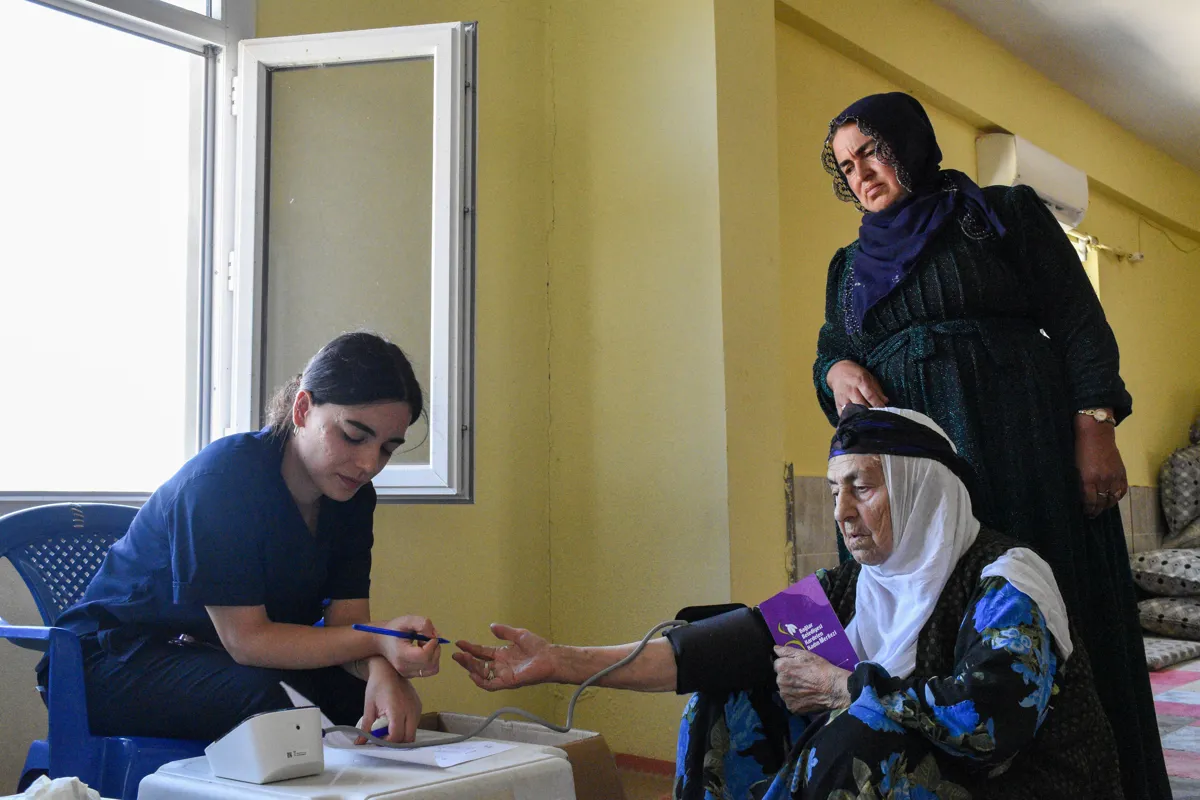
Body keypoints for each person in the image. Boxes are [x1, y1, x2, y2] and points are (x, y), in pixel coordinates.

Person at [454, 406, 1122, 799]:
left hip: (1021, 787)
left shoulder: (1005, 578)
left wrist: (844, 687)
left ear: (923, 491)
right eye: (833, 491)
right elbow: (724, 646)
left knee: (865, 732)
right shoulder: (853, 586)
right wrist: (560, 662)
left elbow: (991, 722)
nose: (842, 513)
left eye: (861, 487)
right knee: (730, 689)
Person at [811, 92, 1166, 799]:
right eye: (847, 166)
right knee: (939, 626)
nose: (862, 174)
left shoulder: (999, 215)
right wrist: (836, 369)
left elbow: (1078, 321)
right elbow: (832, 353)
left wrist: (1095, 426)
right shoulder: (848, 271)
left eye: (872, 152)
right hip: (919, 492)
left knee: (1049, 606)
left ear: (909, 144)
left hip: (1026, 451)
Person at [48, 331, 440, 744]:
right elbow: (248, 641)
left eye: (387, 449)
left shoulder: (352, 499)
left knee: (358, 702)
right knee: (274, 707)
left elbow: (348, 628)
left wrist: (382, 668)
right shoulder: (222, 480)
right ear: (302, 409)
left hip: (211, 656)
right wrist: (379, 640)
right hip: (111, 660)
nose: (368, 464)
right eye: (354, 436)